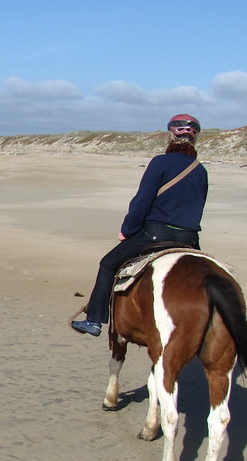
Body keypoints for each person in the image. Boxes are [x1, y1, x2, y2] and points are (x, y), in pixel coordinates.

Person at [71, 114, 208, 336]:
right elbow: (198, 205)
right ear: (196, 139)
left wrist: (127, 230)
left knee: (107, 264)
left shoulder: (159, 163)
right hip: (190, 239)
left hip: (155, 234)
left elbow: (142, 202)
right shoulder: (200, 170)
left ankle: (94, 320)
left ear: (171, 135)